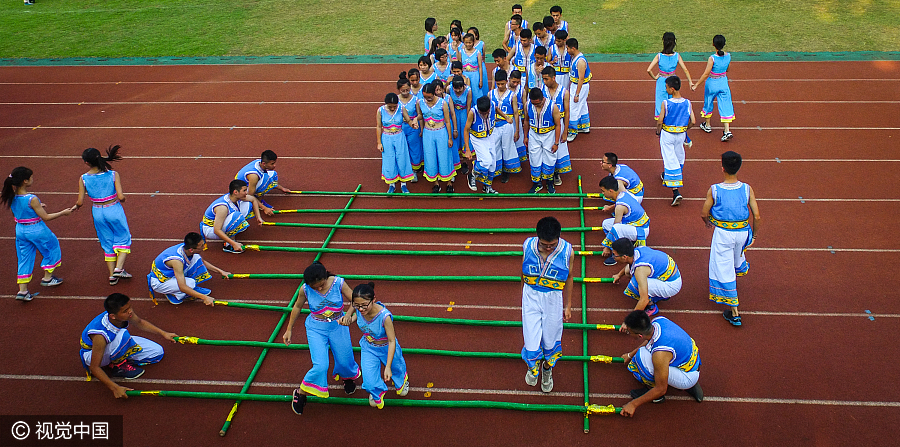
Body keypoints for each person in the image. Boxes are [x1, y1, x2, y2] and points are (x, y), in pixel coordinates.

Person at [283, 262, 361, 415]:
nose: (318, 289)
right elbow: (297, 307)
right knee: (321, 365)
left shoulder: (339, 283)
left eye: (321, 285)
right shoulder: (305, 290)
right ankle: (301, 393)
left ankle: (347, 377)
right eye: (315, 287)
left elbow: (355, 300)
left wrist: (348, 314)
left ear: (326, 275)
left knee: (345, 360)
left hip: (338, 326)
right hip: (316, 328)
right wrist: (289, 329)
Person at [701, 151, 761, 326]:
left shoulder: (715, 189)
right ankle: (737, 268)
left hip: (723, 234)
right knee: (735, 260)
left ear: (722, 168)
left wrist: (709, 222)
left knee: (723, 267)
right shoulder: (747, 188)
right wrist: (754, 235)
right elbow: (756, 216)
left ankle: (734, 310)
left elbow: (704, 213)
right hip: (742, 232)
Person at [80, 293, 177, 397]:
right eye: (125, 311)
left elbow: (139, 322)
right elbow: (94, 367)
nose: (130, 311)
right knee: (123, 335)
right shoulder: (99, 335)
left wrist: (164, 333)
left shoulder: (122, 314)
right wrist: (115, 388)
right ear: (113, 316)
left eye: (129, 307)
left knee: (157, 352)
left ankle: (120, 356)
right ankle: (118, 366)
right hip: (93, 354)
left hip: (116, 343)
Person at [2, 167, 75, 301]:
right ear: (25, 181)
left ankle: (23, 291)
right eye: (31, 177)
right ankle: (47, 277)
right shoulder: (32, 199)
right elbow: (46, 217)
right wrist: (63, 213)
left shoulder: (11, 196)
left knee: (24, 257)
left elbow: (18, 213)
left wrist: (37, 207)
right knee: (52, 248)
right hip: (36, 229)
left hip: (20, 230)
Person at [521, 216, 574, 393]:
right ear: (537, 238)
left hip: (553, 299)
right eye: (544, 245)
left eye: (552, 244)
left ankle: (547, 368)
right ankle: (532, 366)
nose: (548, 248)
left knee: (550, 338)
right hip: (531, 296)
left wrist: (568, 305)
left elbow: (570, 277)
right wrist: (523, 295)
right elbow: (522, 269)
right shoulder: (528, 245)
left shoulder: (567, 251)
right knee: (531, 338)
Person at [619, 310, 702, 416]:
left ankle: (657, 397)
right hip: (692, 362)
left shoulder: (660, 354)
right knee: (644, 354)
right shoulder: (659, 321)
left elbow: (661, 389)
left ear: (639, 335)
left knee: (641, 357)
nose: (628, 333)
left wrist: (633, 404)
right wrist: (630, 355)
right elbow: (649, 339)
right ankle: (685, 379)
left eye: (629, 332)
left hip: (687, 376)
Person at [343, 283, 410, 409]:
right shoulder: (359, 309)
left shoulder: (385, 317)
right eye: (357, 305)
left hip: (386, 347)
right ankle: (376, 391)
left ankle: (402, 382)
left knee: (396, 370)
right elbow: (354, 315)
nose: (361, 309)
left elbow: (391, 341)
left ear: (373, 300)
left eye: (364, 305)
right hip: (368, 348)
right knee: (368, 382)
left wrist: (388, 366)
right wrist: (347, 319)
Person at [74, 145, 133, 286]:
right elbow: (120, 196)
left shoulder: (83, 178)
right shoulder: (112, 174)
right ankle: (119, 268)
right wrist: (123, 199)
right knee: (124, 237)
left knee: (107, 242)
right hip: (113, 208)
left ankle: (112, 275)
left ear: (86, 163)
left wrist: (74, 207)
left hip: (97, 211)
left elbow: (80, 202)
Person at [147, 232, 229, 306]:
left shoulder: (186, 248)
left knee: (197, 258)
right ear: (191, 249)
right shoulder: (177, 261)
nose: (204, 247)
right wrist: (204, 297)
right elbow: (182, 286)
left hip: (167, 273)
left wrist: (222, 272)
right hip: (159, 282)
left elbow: (202, 262)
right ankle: (173, 294)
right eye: (201, 246)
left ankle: (185, 290)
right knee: (190, 283)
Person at [610, 238, 681, 317]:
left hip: (672, 285)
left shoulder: (640, 270)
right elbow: (630, 266)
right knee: (628, 272)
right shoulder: (637, 250)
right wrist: (619, 275)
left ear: (624, 257)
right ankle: (659, 295)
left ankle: (651, 307)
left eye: (614, 255)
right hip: (668, 275)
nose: (613, 257)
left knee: (635, 285)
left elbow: (644, 300)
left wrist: (630, 321)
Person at [657, 75, 695, 206]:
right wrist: (684, 129)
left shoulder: (666, 103)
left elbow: (660, 120)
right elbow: (693, 121)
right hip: (680, 135)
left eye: (667, 87)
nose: (666, 89)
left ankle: (675, 191)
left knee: (669, 159)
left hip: (667, 134)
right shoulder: (688, 103)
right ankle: (665, 174)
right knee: (679, 157)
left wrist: (658, 130)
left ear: (672, 89)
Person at [200, 179, 265, 253]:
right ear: (235, 192)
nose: (246, 193)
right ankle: (227, 245)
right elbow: (217, 230)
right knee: (237, 216)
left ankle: (232, 230)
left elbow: (253, 199)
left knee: (247, 204)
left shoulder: (234, 197)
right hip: (210, 230)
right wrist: (233, 243)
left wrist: (258, 218)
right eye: (244, 190)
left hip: (217, 225)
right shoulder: (222, 208)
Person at [465, 96, 513, 194]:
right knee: (486, 161)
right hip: (477, 138)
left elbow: (497, 109)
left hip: (490, 136)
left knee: (492, 164)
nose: (485, 114)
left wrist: (506, 117)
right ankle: (472, 174)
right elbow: (466, 130)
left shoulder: (492, 105)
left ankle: (487, 186)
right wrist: (467, 149)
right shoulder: (472, 112)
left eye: (486, 112)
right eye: (482, 113)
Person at [597, 176, 650, 266]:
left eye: (603, 191)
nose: (602, 193)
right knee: (605, 224)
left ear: (611, 191)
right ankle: (629, 241)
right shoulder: (623, 194)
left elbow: (615, 227)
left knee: (617, 229)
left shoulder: (620, 206)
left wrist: (607, 247)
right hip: (634, 224)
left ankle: (616, 253)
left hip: (641, 230)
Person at [693, 35, 735, 141]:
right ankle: (726, 130)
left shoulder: (712, 58)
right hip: (723, 82)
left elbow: (706, 73)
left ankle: (707, 125)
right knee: (725, 105)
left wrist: (696, 84)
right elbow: (728, 69)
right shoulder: (728, 56)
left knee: (708, 102)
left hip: (712, 83)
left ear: (713, 44)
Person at [416, 82, 456, 193]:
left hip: (441, 132)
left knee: (444, 156)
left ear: (434, 93)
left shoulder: (442, 103)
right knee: (430, 157)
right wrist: (415, 120)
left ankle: (448, 182)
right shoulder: (420, 102)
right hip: (428, 133)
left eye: (429, 97)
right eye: (425, 97)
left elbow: (448, 121)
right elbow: (421, 116)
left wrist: (449, 137)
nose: (427, 99)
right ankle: (436, 183)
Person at [647, 32, 694, 122]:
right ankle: (672, 121)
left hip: (662, 81)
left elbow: (649, 70)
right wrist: (690, 81)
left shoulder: (659, 56)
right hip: (672, 80)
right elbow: (685, 70)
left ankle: (661, 123)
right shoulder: (676, 56)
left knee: (660, 103)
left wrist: (655, 77)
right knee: (673, 101)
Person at [524, 88, 562, 194]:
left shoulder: (552, 106)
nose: (535, 106)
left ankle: (549, 181)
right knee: (534, 157)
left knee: (549, 157)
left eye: (537, 103)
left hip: (549, 135)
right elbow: (526, 120)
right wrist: (525, 136)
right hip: (534, 134)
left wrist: (556, 142)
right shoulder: (528, 105)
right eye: (533, 103)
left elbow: (558, 125)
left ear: (542, 99)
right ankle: (537, 183)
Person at [377, 93, 416, 193]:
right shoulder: (380, 111)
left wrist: (413, 124)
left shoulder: (401, 108)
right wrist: (379, 142)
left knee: (402, 158)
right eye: (390, 107)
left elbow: (408, 120)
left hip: (399, 136)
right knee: (389, 159)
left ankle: (403, 184)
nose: (393, 109)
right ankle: (392, 184)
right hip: (387, 137)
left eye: (394, 106)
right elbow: (378, 126)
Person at [489, 69, 521, 183]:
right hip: (495, 125)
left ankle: (506, 171)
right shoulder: (491, 93)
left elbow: (516, 112)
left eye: (502, 83)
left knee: (507, 147)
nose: (500, 86)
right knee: (495, 147)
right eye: (498, 84)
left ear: (507, 81)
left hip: (507, 124)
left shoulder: (512, 95)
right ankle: (496, 169)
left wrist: (517, 130)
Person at [541, 66, 571, 186]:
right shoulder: (542, 90)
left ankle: (556, 172)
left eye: (546, 79)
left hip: (560, 124)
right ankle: (546, 172)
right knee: (546, 150)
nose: (544, 81)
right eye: (543, 79)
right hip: (545, 126)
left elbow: (568, 112)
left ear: (554, 78)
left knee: (558, 149)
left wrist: (565, 131)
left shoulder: (564, 92)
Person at [234, 150, 291, 214]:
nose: (274, 165)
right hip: (241, 190)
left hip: (247, 183)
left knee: (273, 174)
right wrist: (264, 208)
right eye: (272, 164)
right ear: (264, 163)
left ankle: (258, 198)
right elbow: (250, 195)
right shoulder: (254, 176)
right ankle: (259, 201)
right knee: (265, 180)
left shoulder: (259, 162)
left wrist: (282, 188)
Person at [397, 72, 424, 179]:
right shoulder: (396, 100)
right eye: (402, 90)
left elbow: (420, 115)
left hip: (413, 128)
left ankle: (414, 170)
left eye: (407, 90)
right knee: (402, 149)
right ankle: (403, 170)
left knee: (414, 148)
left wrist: (416, 121)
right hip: (400, 128)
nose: (405, 92)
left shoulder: (415, 100)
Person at [565, 38, 591, 141]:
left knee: (573, 107)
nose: (567, 50)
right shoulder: (574, 57)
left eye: (567, 48)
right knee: (583, 105)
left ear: (573, 48)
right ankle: (584, 126)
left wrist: (577, 94)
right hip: (579, 85)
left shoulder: (580, 61)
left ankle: (572, 131)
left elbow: (581, 78)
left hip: (579, 85)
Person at [448, 75, 473, 176]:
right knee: (454, 138)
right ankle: (454, 161)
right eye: (455, 88)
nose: (457, 90)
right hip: (453, 114)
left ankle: (464, 162)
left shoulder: (468, 91)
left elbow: (468, 106)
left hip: (463, 114)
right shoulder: (448, 89)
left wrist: (468, 121)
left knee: (464, 137)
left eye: (460, 88)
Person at [508, 70, 529, 165]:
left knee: (518, 138)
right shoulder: (505, 88)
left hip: (518, 119)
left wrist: (526, 117)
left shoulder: (521, 90)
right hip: (507, 120)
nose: (515, 84)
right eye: (513, 82)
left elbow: (525, 104)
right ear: (509, 79)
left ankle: (518, 159)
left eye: (517, 82)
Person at [459, 33, 483, 101]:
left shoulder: (477, 52)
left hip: (474, 75)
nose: (468, 44)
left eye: (470, 42)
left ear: (473, 42)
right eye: (466, 42)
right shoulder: (461, 52)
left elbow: (480, 67)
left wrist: (480, 80)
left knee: (475, 92)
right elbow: (459, 65)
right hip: (465, 74)